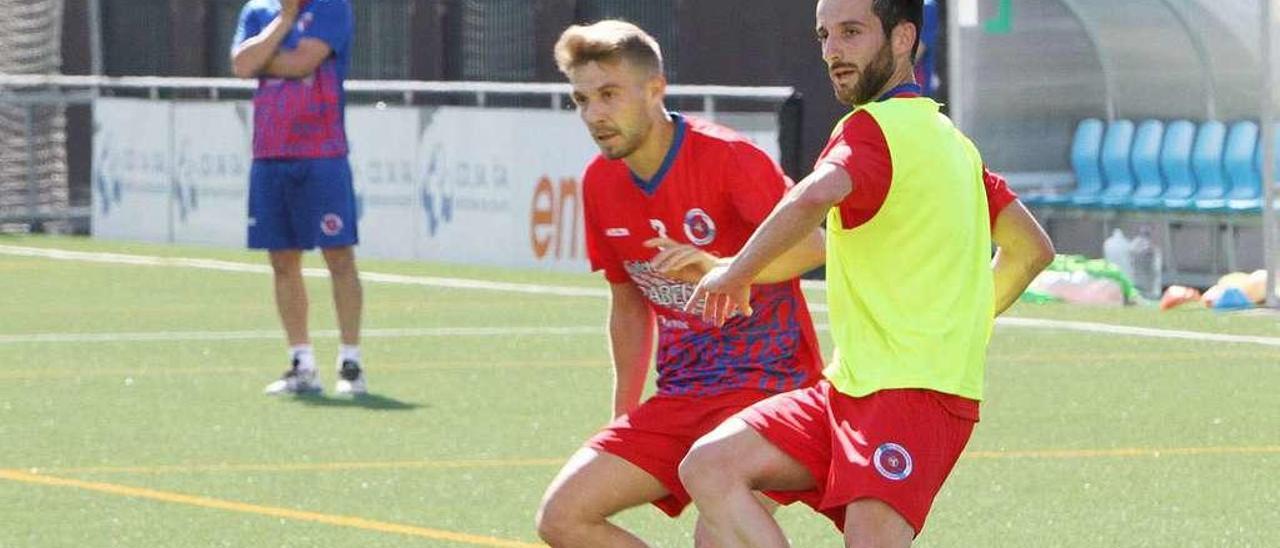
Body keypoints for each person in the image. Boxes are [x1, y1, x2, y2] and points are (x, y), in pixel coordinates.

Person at [677, 0, 1054, 546]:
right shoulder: (954, 145)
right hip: (849, 389)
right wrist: (957, 323)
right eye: (825, 35)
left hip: (910, 397)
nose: (833, 51)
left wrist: (737, 271)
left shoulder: (871, 129)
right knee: (710, 471)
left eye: (852, 33)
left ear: (903, 39)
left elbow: (817, 193)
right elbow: (1032, 250)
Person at [534, 20, 829, 547]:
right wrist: (624, 415)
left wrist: (719, 265)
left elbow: (814, 249)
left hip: (769, 390)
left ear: (655, 89)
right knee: (563, 517)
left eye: (608, 94)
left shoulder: (729, 158)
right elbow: (627, 304)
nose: (594, 114)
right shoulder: (600, 183)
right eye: (581, 99)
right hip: (682, 395)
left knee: (715, 540)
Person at [230, 0, 366, 396]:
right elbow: (240, 65)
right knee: (283, 260)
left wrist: (263, 59)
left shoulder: (332, 7)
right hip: (270, 154)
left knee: (338, 255)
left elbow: (302, 63)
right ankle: (302, 364)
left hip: (322, 153)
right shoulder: (258, 10)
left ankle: (351, 362)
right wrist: (285, 21)